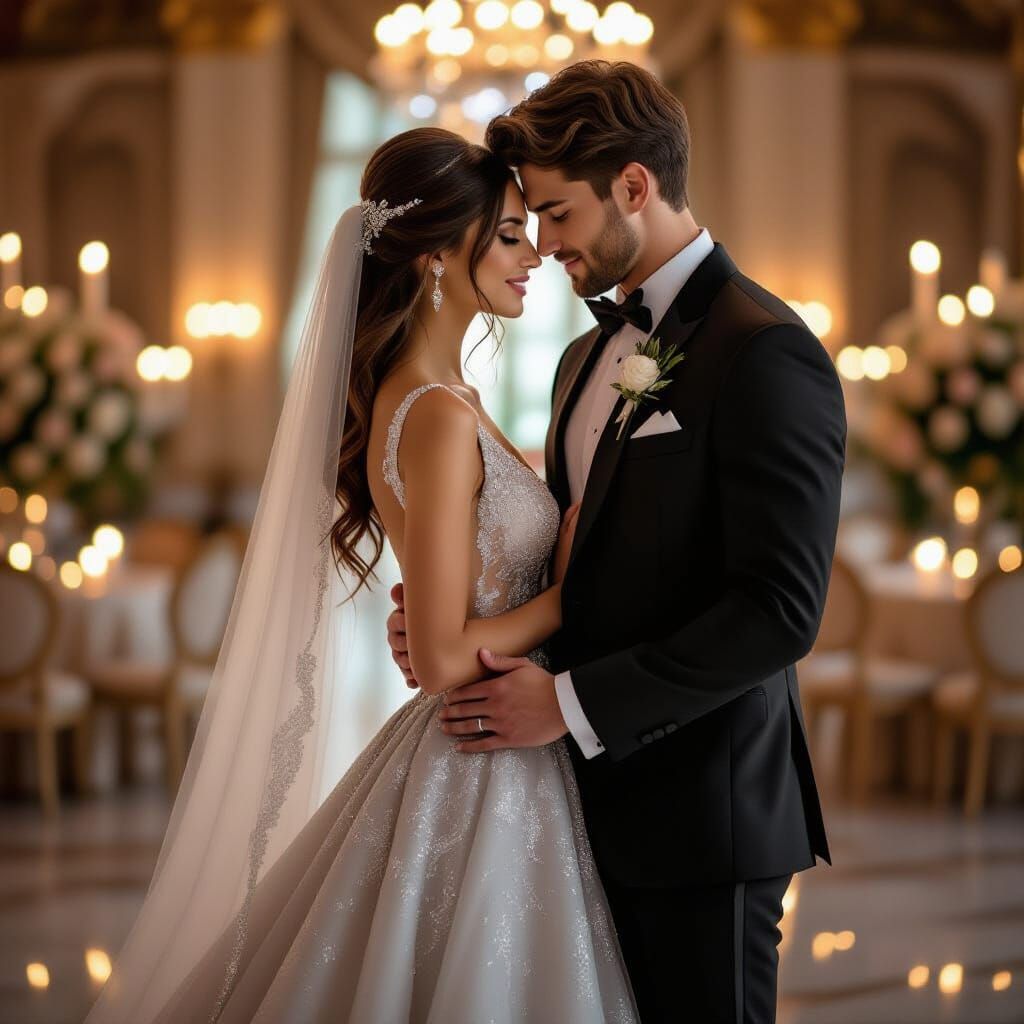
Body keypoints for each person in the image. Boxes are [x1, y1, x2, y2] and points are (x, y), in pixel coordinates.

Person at [84, 127, 638, 1023]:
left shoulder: (433, 398)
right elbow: (445, 658)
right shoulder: (437, 413)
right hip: (483, 750)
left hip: (496, 743)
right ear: (433, 254)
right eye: (507, 234)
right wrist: (568, 596)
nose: (533, 252)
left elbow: (446, 610)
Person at [387, 60, 847, 1023]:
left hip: (702, 818)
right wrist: (463, 624)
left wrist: (571, 704)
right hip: (565, 814)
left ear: (633, 186)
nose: (545, 242)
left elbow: (778, 612)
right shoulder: (579, 360)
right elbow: (575, 555)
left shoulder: (765, 349)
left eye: (557, 213)